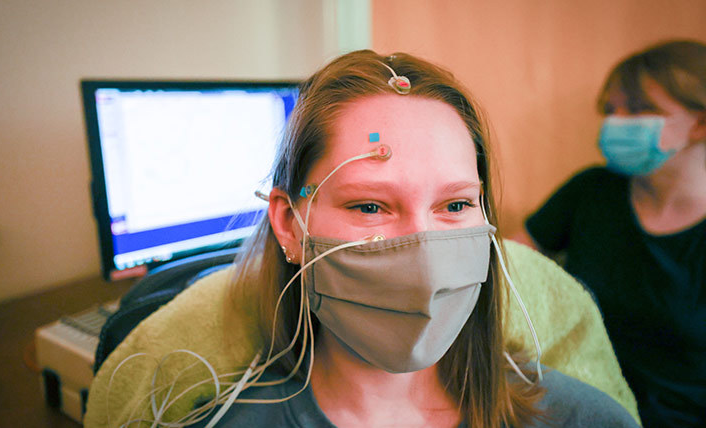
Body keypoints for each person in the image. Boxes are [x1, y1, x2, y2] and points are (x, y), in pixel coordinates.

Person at [91, 50, 639, 428]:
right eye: (370, 206)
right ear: (289, 224)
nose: (422, 256)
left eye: (454, 205)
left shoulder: (580, 418)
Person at [522, 40, 706, 427]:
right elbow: (511, 266)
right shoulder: (590, 190)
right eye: (611, 110)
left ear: (701, 124)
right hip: (575, 412)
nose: (616, 121)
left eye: (640, 109)